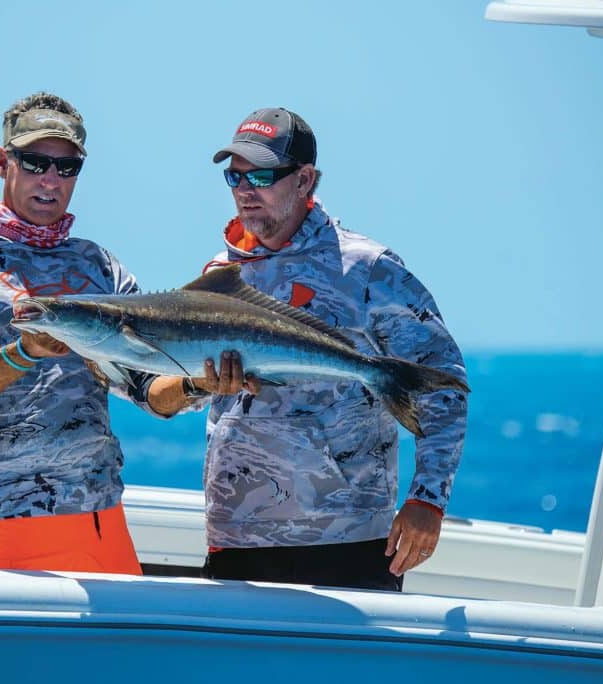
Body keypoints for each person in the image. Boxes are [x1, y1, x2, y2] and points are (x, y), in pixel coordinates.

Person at [147, 108, 468, 591]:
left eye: (261, 175)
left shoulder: (369, 269)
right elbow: (187, 387)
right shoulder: (220, 275)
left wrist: (427, 500)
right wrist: (196, 384)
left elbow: (443, 385)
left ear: (305, 180)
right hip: (235, 543)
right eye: (234, 176)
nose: (244, 189)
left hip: (345, 544)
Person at [0, 92, 148, 574]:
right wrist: (24, 352)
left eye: (67, 167)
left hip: (101, 522)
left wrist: (197, 383)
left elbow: (142, 383)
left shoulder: (101, 267)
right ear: (3, 162)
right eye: (36, 162)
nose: (51, 180)